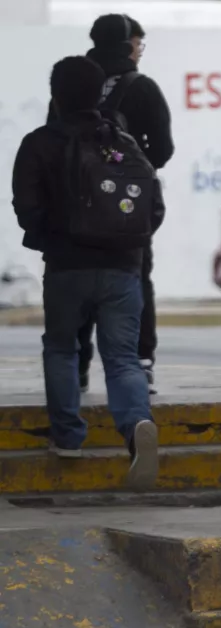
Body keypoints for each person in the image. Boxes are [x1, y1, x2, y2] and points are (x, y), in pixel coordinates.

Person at [14, 55, 162, 489]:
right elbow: (153, 206)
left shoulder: (40, 142)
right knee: (122, 358)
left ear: (55, 95)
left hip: (66, 266)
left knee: (62, 348)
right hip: (123, 268)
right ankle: (136, 426)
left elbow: (26, 207)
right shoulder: (123, 141)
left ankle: (67, 438)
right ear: (99, 94)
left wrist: (51, 238)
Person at [53, 14, 175, 395]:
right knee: (135, 280)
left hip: (75, 207)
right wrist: (130, 170)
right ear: (127, 44)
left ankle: (77, 368)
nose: (140, 51)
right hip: (127, 208)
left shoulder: (72, 84)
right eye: (138, 43)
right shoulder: (142, 87)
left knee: (76, 284)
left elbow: (53, 142)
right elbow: (163, 148)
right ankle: (141, 362)